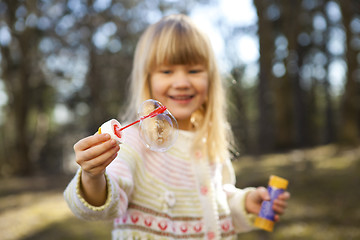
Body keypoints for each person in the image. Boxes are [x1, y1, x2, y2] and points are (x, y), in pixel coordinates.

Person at [64, 14, 290, 239]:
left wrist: (246, 202)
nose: (181, 83)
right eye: (166, 71)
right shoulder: (132, 140)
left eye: (194, 71)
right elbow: (106, 200)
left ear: (210, 79)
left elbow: (217, 200)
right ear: (147, 79)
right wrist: (93, 176)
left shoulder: (208, 140)